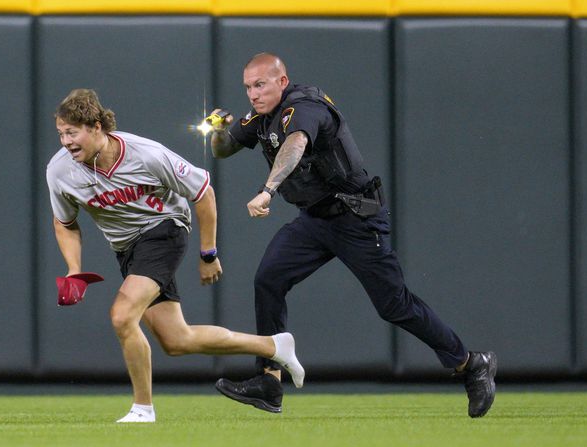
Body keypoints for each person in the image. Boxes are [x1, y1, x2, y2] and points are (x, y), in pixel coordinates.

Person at [207, 53, 497, 418]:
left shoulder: (305, 107)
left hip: (356, 217)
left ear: (282, 81)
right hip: (314, 220)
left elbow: (295, 144)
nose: (253, 93)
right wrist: (218, 129)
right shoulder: (264, 116)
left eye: (260, 84)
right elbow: (224, 148)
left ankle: (470, 364)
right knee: (269, 279)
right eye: (248, 87)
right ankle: (269, 379)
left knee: (394, 305)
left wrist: (268, 189)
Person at [46, 88, 304, 422]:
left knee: (122, 316)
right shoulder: (60, 170)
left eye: (72, 131)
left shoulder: (146, 154)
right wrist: (74, 269)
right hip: (127, 249)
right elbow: (64, 222)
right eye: (61, 133)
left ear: (96, 127)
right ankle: (274, 346)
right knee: (176, 339)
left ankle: (142, 408)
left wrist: (208, 253)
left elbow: (203, 193)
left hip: (164, 230)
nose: (66, 141)